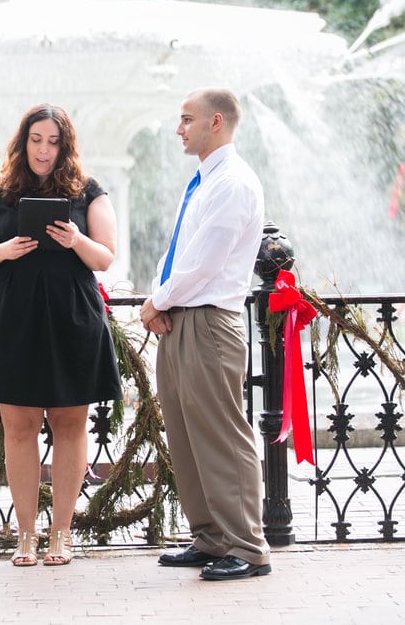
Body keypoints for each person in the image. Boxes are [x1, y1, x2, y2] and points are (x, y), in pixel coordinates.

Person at [0, 104, 122, 567]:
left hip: (71, 313)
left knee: (70, 423)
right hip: (11, 315)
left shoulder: (89, 192)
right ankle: (27, 535)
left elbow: (105, 259)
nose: (44, 149)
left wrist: (75, 239)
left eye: (53, 141)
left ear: (65, 146)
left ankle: (62, 533)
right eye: (37, 139)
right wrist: (7, 250)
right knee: (19, 427)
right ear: (23, 141)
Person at [139, 88, 272, 581]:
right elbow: (177, 252)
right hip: (180, 318)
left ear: (215, 122)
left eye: (186, 119)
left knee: (220, 433)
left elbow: (205, 261)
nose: (179, 129)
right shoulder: (202, 181)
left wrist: (157, 301)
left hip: (209, 322)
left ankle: (247, 547)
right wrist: (158, 298)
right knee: (186, 433)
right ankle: (211, 538)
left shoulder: (233, 182)